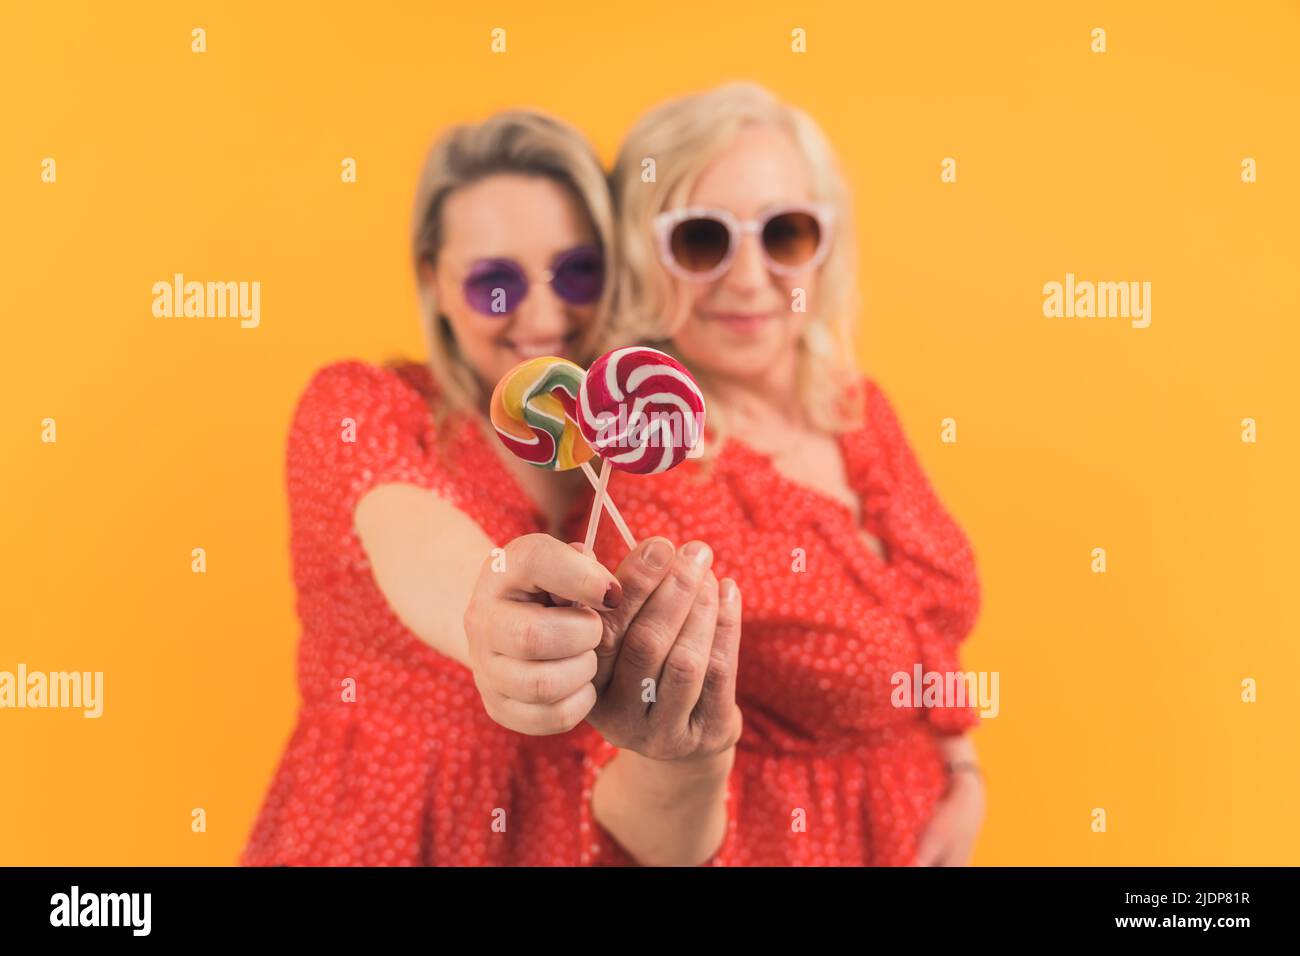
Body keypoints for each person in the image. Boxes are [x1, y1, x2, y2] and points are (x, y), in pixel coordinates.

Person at [240, 110, 733, 866]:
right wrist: (492, 610)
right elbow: (417, 540)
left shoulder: (647, 465)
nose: (542, 314)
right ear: (433, 280)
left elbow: (662, 830)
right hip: (374, 837)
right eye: (494, 284)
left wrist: (691, 755)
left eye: (577, 271)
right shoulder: (362, 409)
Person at [582, 81, 987, 865]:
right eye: (701, 240)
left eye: (785, 234)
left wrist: (961, 772)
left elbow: (927, 626)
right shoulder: (641, 477)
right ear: (639, 254)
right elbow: (617, 755)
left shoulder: (856, 408)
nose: (746, 278)